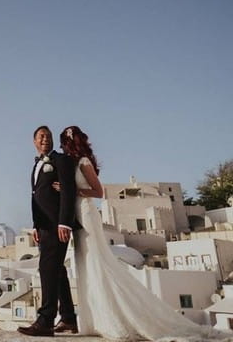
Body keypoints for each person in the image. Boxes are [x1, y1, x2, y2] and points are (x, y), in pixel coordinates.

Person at [55, 125, 227, 340]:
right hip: (77, 217)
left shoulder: (83, 162)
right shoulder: (71, 164)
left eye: (67, 142)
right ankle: (96, 319)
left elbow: (99, 192)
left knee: (97, 263)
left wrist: (73, 190)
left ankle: (114, 318)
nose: (65, 146)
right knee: (85, 264)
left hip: (87, 213)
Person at [17, 126, 79, 337]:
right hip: (43, 226)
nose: (45, 139)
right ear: (34, 141)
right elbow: (36, 197)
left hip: (56, 225)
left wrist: (65, 223)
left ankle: (45, 321)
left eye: (49, 136)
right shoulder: (35, 165)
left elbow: (69, 192)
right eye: (41, 136)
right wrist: (35, 225)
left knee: (48, 270)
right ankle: (69, 318)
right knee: (57, 271)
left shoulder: (61, 160)